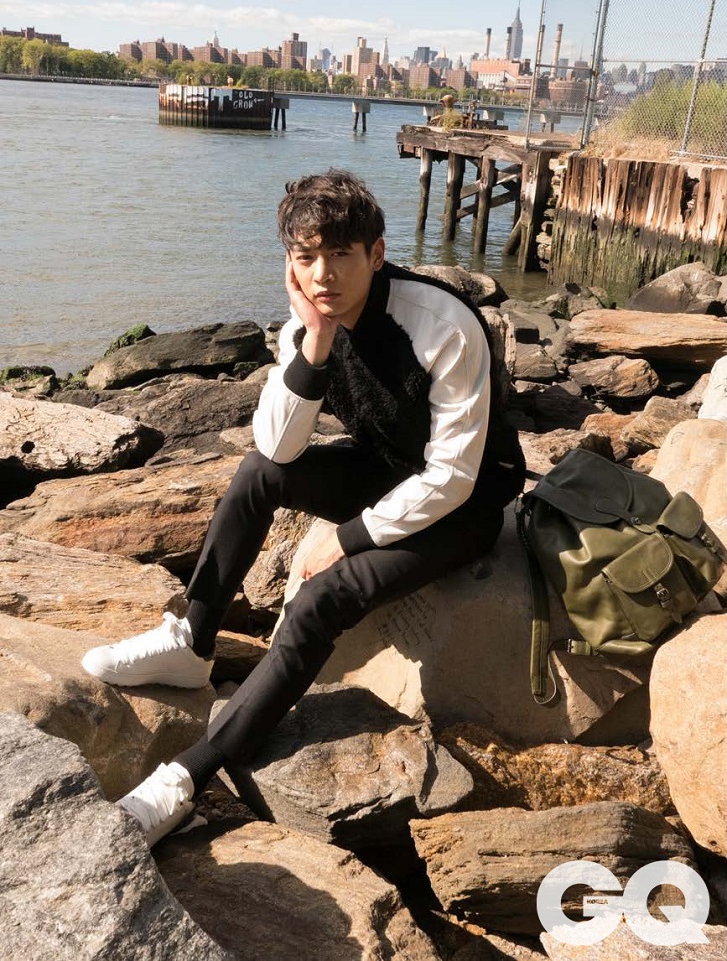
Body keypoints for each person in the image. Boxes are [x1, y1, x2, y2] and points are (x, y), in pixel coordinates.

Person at [81, 169, 525, 846]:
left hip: (464, 508)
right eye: (306, 256)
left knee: (321, 598)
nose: (323, 275)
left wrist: (347, 538)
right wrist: (314, 342)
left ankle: (188, 777)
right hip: (384, 469)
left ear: (376, 254)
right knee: (258, 473)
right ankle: (192, 641)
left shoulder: (442, 324)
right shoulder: (309, 317)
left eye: (341, 255)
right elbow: (276, 447)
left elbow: (455, 477)